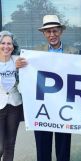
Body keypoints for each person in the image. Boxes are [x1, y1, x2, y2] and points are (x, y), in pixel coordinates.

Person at [16, 15, 77, 161]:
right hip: (42, 108)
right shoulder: (35, 53)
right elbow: (26, 76)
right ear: (44, 34)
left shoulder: (73, 52)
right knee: (43, 147)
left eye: (55, 31)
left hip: (64, 107)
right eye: (48, 32)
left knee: (63, 147)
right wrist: (19, 66)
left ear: (60, 32)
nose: (52, 35)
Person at [0, 31, 23, 161]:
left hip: (15, 105)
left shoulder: (17, 60)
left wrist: (21, 69)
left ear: (13, 46)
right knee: (0, 146)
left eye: (9, 43)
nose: (6, 46)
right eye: (3, 43)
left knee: (10, 145)